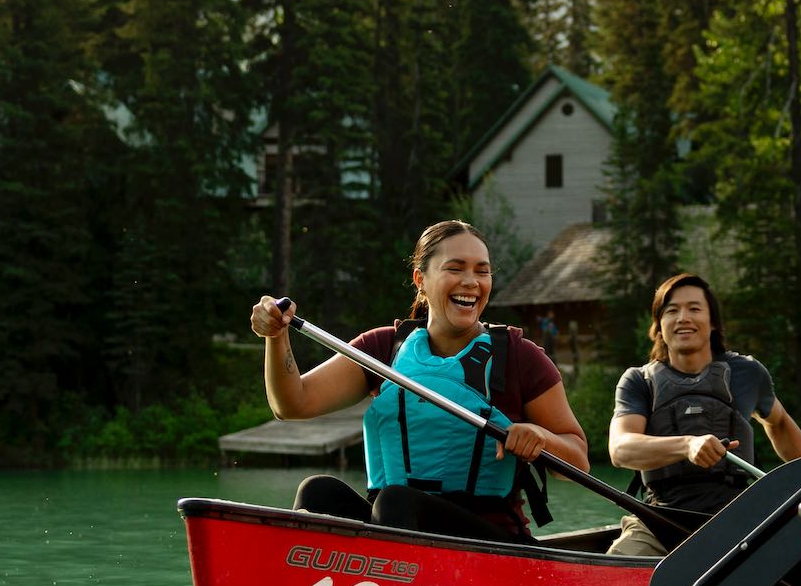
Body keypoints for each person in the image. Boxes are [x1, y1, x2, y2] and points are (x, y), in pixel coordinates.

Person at [251, 219, 588, 544]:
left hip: (490, 544)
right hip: (396, 524)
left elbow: (578, 460)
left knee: (397, 500)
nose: (471, 281)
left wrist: (541, 437)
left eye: (482, 271)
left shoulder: (519, 357)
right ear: (420, 280)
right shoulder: (383, 349)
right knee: (318, 491)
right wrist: (276, 336)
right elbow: (292, 404)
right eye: (455, 268)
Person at [603, 273, 801, 557]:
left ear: (713, 322)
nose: (683, 318)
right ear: (659, 325)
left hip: (738, 517)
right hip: (662, 519)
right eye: (672, 311)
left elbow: (778, 423)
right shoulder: (637, 381)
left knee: (786, 562)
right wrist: (687, 445)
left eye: (694, 308)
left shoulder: (748, 374)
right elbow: (620, 449)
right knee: (617, 564)